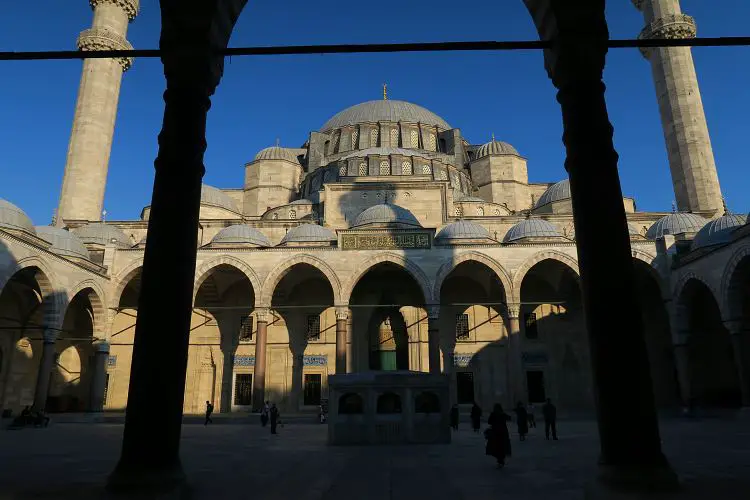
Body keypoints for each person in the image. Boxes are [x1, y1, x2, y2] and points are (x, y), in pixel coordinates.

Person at [485, 403, 512, 468]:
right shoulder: (502, 414)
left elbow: (489, 421)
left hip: (495, 433)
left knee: (496, 447)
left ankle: (500, 460)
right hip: (503, 433)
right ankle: (501, 460)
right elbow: (509, 418)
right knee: (502, 447)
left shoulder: (493, 414)